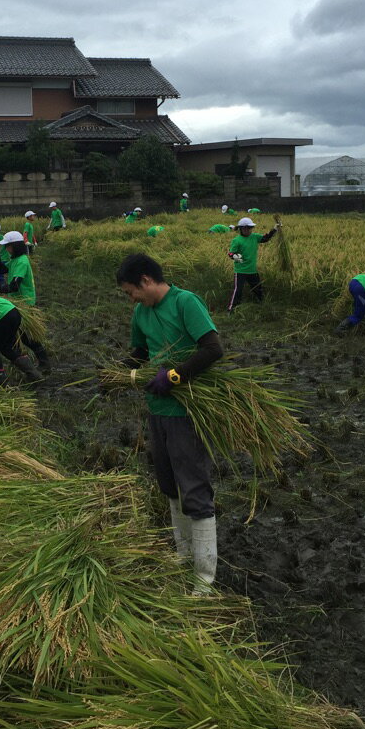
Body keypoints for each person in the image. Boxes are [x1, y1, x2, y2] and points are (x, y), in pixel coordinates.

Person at [116, 253, 223, 592]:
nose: (131, 298)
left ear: (146, 281)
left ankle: (204, 579)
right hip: (158, 409)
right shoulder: (140, 312)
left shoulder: (184, 302)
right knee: (168, 485)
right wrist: (118, 373)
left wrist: (175, 376)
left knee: (193, 487)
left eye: (131, 291)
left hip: (186, 411)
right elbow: (141, 353)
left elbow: (212, 349)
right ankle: (183, 556)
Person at [0, 230, 50, 373]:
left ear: (15, 246)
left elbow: (14, 285)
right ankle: (22, 362)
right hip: (16, 303)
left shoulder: (22, 261)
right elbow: (0, 269)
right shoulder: (14, 260)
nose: (7, 249)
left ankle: (44, 364)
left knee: (27, 338)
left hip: (25, 303)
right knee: (15, 336)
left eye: (8, 246)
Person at [227, 216, 277, 312]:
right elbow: (230, 253)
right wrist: (235, 257)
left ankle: (263, 306)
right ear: (241, 229)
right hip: (240, 271)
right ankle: (231, 310)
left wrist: (274, 230)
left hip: (252, 270)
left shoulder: (255, 237)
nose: (248, 230)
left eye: (250, 228)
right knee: (238, 291)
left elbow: (265, 238)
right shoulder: (237, 240)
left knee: (258, 289)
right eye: (245, 228)